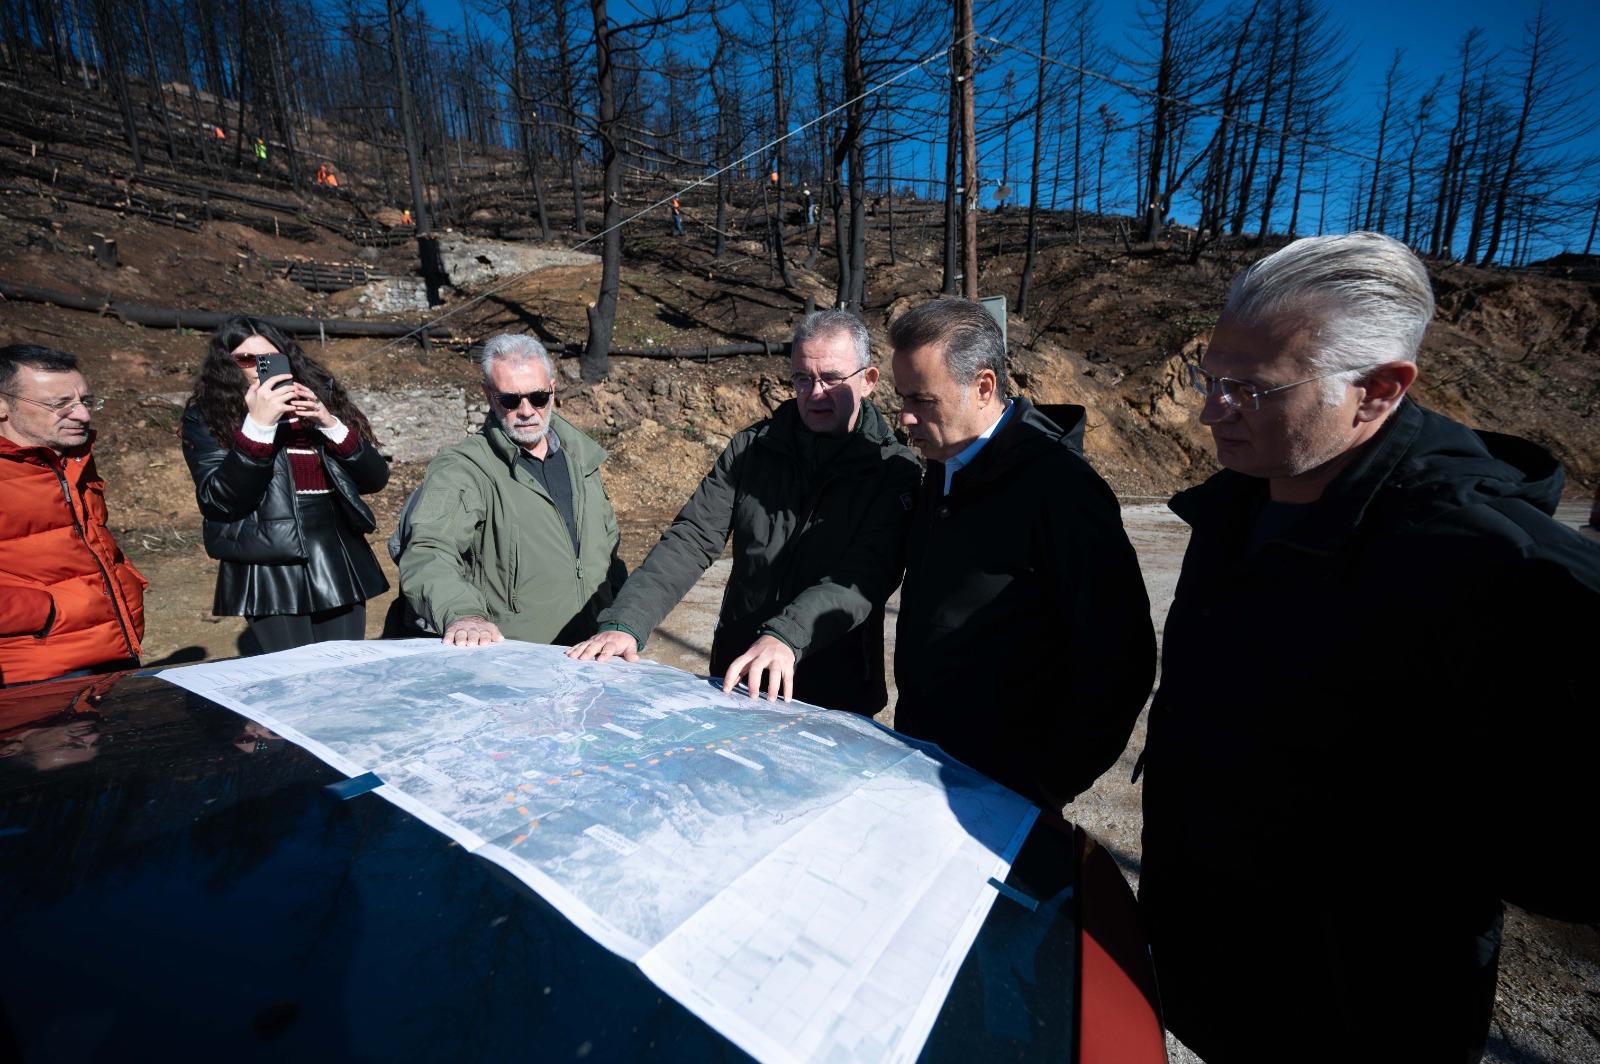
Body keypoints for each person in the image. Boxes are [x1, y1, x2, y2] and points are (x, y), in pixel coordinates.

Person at [1136, 232, 1600, 1062]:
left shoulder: (1496, 567)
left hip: (1360, 1007)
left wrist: (1396, 836)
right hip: (1221, 964)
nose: (1212, 412)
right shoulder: (1240, 504)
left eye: (1250, 389)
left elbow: (1564, 849)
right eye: (1211, 378)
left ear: (1379, 390)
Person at [568, 310, 920, 711]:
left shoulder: (893, 470)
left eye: (832, 379)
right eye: (803, 378)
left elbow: (865, 574)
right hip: (740, 676)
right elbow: (692, 538)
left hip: (835, 688)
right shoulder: (752, 449)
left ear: (868, 380)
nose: (815, 393)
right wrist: (626, 622)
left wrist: (786, 635)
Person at [888, 299, 1156, 807]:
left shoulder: (1060, 489)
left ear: (983, 386)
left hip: (1008, 786)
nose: (905, 417)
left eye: (922, 400)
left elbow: (1121, 658)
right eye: (902, 398)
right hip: (930, 761)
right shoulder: (942, 464)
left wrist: (1048, 782)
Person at [399, 333, 627, 648]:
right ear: (490, 396)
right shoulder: (463, 468)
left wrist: (623, 617)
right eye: (510, 399)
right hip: (520, 661)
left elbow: (609, 550)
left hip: (593, 654)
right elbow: (429, 551)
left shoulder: (582, 458)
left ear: (552, 388)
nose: (526, 411)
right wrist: (463, 614)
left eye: (538, 397)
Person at [180, 317, 389, 654]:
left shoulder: (319, 400)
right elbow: (218, 501)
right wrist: (257, 428)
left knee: (346, 667)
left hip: (335, 549)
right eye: (246, 359)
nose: (259, 368)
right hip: (266, 559)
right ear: (227, 365)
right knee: (292, 676)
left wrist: (330, 423)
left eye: (270, 357)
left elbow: (374, 479)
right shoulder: (208, 415)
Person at [0, 345, 146, 686]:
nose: (82, 415)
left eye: (85, 402)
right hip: (37, 671)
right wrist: (46, 612)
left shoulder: (70, 458)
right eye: (59, 405)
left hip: (111, 649)